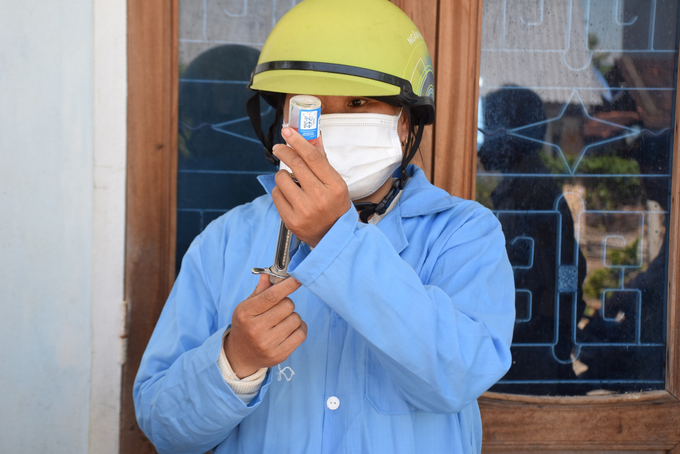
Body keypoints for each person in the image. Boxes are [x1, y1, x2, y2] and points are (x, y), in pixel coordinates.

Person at [133, 0, 515, 452]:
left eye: (358, 102)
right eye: (312, 104)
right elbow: (163, 427)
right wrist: (236, 361)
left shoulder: (464, 233)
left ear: (407, 119)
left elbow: (460, 376)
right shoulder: (225, 241)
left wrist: (335, 238)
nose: (335, 123)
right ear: (282, 120)